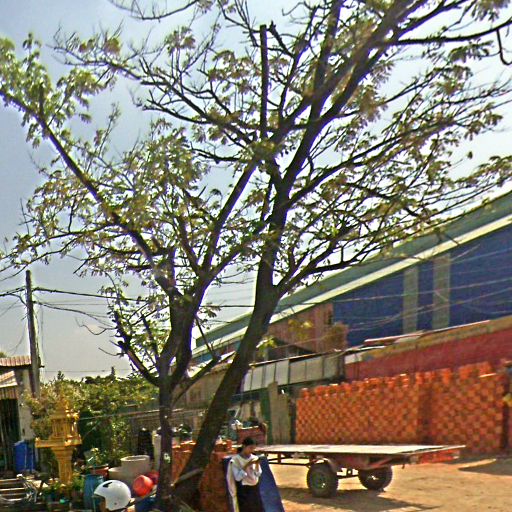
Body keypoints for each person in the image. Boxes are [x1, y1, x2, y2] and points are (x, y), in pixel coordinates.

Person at [226, 437, 264, 512]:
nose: (252, 451)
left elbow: (258, 474)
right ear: (244, 446)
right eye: (250, 448)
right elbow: (237, 477)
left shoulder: (254, 458)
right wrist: (247, 465)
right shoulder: (235, 460)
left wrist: (256, 464)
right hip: (243, 490)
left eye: (253, 448)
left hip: (254, 488)